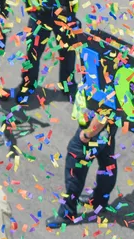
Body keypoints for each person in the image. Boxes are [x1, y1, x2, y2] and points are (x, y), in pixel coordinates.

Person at [49, 81, 118, 230]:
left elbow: (105, 111)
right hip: (106, 129)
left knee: (75, 164)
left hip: (94, 129)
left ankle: (67, 212)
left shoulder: (106, 66)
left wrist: (87, 134)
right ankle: (99, 200)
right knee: (107, 161)